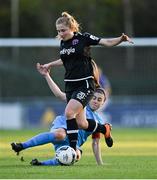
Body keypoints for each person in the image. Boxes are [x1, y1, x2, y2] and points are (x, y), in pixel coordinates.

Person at [39, 11, 133, 151]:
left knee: (69, 113)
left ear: (72, 27)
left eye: (63, 30)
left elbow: (105, 42)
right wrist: (49, 65)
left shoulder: (84, 38)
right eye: (58, 31)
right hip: (70, 85)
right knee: (81, 123)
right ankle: (104, 128)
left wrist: (120, 39)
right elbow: (64, 59)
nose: (61, 33)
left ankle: (72, 149)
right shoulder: (63, 44)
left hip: (85, 84)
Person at [11, 72, 108, 166]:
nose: (95, 101)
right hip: (62, 129)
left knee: (76, 156)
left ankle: (41, 164)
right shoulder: (79, 102)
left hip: (73, 144)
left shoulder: (99, 121)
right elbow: (59, 94)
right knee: (60, 135)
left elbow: (95, 142)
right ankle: (22, 146)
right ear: (90, 97)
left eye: (99, 100)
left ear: (103, 103)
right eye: (94, 98)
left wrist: (100, 163)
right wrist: (46, 75)